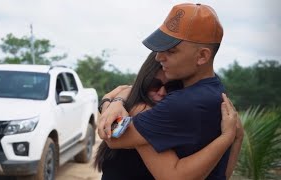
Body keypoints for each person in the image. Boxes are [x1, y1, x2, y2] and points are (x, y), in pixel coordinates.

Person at [98, 3, 243, 179]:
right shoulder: (215, 91)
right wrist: (118, 100)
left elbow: (112, 136)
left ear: (203, 56)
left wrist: (110, 101)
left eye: (171, 51)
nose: (159, 57)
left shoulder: (182, 103)